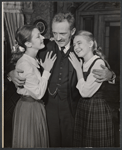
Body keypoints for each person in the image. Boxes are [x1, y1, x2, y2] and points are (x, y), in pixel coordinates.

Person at [8, 12, 115, 147]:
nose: (58, 38)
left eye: (63, 34)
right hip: (47, 109)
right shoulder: (43, 46)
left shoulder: (80, 50)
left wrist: (111, 75)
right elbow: (20, 59)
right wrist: (11, 73)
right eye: (54, 33)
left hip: (73, 110)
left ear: (73, 31)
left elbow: (98, 64)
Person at [11, 25, 57, 148]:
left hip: (34, 107)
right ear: (28, 44)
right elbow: (38, 93)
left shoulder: (32, 59)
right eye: (38, 36)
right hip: (29, 108)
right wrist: (47, 71)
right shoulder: (25, 63)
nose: (43, 37)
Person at [68, 30, 114, 147]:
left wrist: (78, 69)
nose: (76, 47)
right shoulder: (82, 62)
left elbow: (85, 93)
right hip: (84, 109)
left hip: (96, 109)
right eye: (74, 45)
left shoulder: (98, 63)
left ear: (90, 44)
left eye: (79, 43)